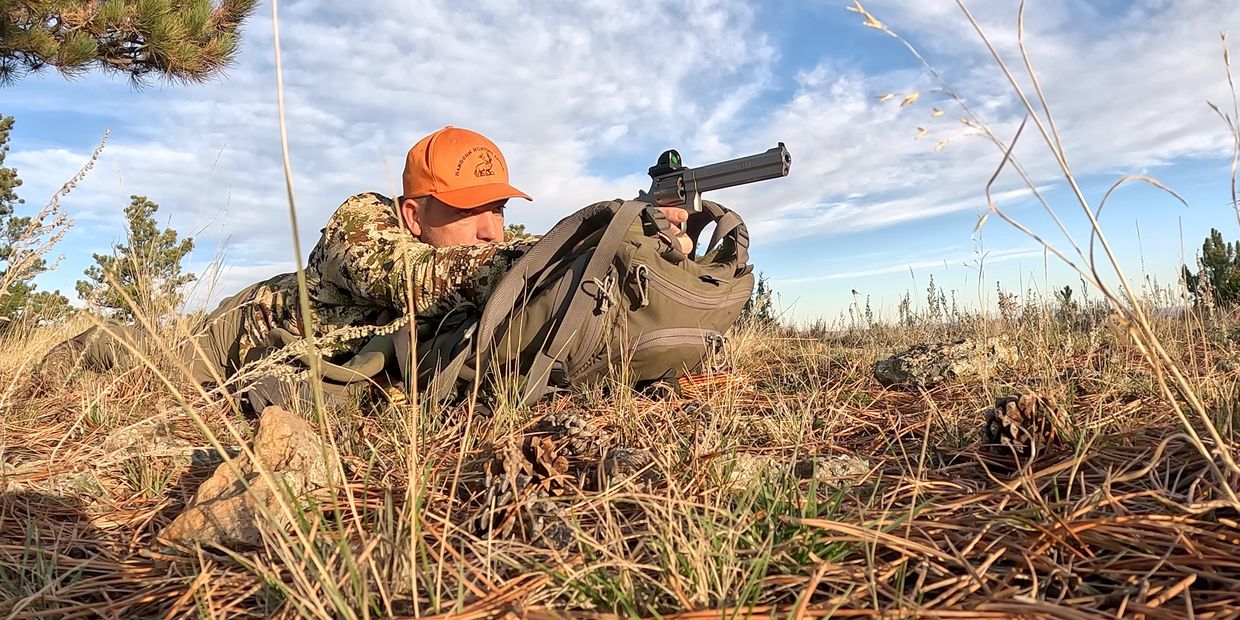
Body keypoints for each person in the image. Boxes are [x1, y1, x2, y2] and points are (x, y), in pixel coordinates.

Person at [40, 126, 692, 406]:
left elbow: (531, 287)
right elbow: (419, 282)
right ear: (414, 215)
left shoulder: (492, 250)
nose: (492, 227)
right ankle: (44, 363)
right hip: (232, 340)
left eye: (497, 208)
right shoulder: (363, 222)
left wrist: (647, 249)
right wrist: (591, 241)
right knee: (127, 356)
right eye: (472, 211)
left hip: (338, 362)